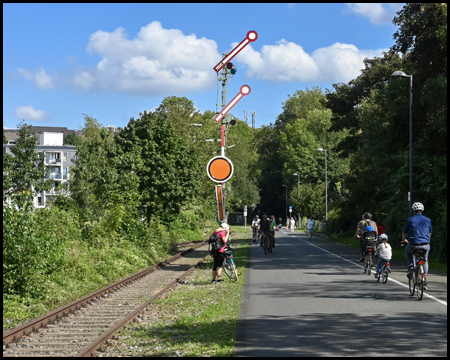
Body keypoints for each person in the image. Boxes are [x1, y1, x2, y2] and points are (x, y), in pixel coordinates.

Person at [401, 202, 432, 290]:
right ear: (422, 210)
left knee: (407, 251)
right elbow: (430, 233)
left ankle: (411, 265)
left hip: (413, 244)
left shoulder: (410, 220)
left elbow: (405, 232)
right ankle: (424, 279)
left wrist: (404, 240)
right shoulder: (427, 220)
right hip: (425, 245)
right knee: (425, 260)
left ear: (413, 210)